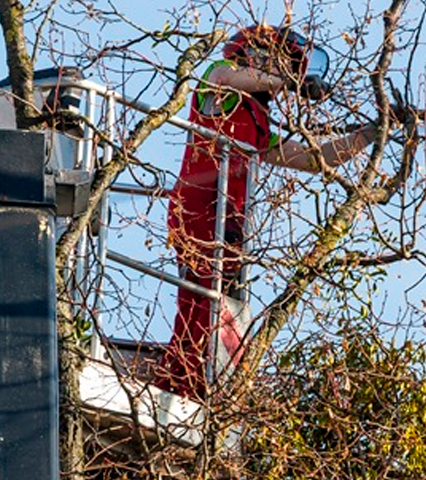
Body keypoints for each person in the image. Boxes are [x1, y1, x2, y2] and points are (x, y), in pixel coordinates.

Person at [156, 24, 381, 399]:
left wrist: (369, 134)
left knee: (216, 306)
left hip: (228, 222)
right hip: (197, 209)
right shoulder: (218, 82)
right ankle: (179, 385)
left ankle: (198, 387)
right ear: (256, 54)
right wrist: (289, 82)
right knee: (198, 302)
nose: (288, 74)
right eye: (284, 63)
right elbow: (233, 77)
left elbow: (315, 159)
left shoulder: (256, 123)